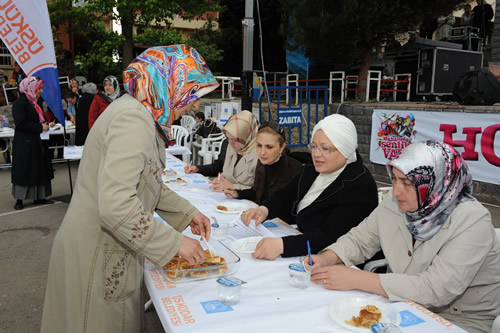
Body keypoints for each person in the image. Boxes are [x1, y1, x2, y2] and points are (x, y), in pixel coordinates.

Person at [41, 45, 219, 333]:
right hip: (96, 253)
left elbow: (146, 183)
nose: (195, 105)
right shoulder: (134, 119)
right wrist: (176, 243)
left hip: (101, 247)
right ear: (169, 83)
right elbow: (116, 205)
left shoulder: (138, 112)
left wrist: (188, 214)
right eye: (193, 94)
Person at [309, 140, 500, 333]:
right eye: (394, 179)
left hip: (456, 319)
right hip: (401, 306)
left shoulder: (472, 220)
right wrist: (327, 257)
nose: (396, 190)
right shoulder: (397, 201)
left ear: (436, 183)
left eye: (407, 183)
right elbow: (360, 239)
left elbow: (436, 289)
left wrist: (358, 278)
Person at [240, 114, 378, 259]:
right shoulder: (314, 167)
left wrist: (283, 246)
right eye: (314, 146)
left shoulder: (360, 185)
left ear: (345, 150)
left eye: (325, 148)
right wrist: (264, 209)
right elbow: (286, 195)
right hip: (301, 240)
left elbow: (330, 236)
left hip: (333, 260)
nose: (316, 154)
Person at [224, 121, 303, 204]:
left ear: (281, 147)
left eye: (269, 147)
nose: (262, 152)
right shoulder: (262, 163)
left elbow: (287, 205)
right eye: (259, 145)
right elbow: (258, 193)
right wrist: (237, 193)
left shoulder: (294, 170)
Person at [185, 110, 259, 192]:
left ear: (247, 136)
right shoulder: (227, 144)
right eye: (228, 138)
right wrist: (198, 168)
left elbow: (261, 190)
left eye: (234, 139)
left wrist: (233, 187)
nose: (231, 143)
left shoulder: (261, 152)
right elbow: (218, 166)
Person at [11, 77, 54, 210]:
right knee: (24, 170)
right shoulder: (19, 104)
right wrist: (40, 128)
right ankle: (19, 199)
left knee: (39, 168)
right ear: (30, 88)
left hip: (38, 141)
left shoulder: (36, 103)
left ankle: (39, 197)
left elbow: (39, 120)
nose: (41, 91)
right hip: (25, 143)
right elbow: (21, 123)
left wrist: (47, 125)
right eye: (38, 88)